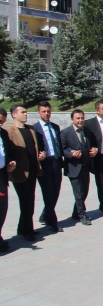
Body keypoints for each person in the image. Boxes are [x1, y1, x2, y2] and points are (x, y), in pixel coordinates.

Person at [5, 105, 45, 241]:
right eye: (22, 112)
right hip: (19, 173)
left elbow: (35, 147)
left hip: (32, 171)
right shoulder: (9, 131)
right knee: (26, 201)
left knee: (30, 200)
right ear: (14, 115)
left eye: (26, 112)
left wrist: (40, 155)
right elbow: (7, 151)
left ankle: (22, 228)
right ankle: (28, 231)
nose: (25, 114)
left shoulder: (31, 129)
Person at [61, 110, 98, 226]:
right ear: (72, 119)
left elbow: (92, 144)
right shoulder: (65, 132)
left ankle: (76, 212)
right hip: (73, 167)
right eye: (78, 118)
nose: (80, 120)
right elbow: (62, 149)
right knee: (78, 193)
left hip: (85, 167)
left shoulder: (86, 131)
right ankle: (82, 215)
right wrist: (70, 153)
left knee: (84, 192)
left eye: (82, 118)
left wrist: (94, 149)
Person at [33, 101, 65, 232]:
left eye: (48, 111)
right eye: (44, 111)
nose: (47, 114)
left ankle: (45, 215)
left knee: (56, 192)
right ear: (39, 112)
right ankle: (52, 222)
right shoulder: (34, 129)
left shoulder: (55, 127)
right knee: (48, 193)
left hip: (56, 162)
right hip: (44, 165)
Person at [0, 108, 17, 252]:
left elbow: (6, 152)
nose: (1, 124)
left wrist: (9, 163)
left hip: (1, 175)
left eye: (3, 122)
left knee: (2, 207)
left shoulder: (3, 133)